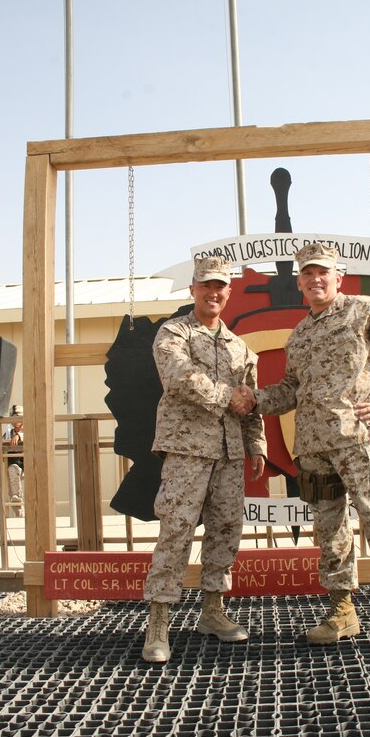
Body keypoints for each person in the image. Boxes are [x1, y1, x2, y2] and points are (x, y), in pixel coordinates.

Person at [232, 242, 370, 658]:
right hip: (312, 450)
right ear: (300, 282)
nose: (315, 279)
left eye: (322, 272)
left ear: (337, 277)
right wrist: (255, 399)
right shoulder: (300, 334)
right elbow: (291, 390)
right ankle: (342, 613)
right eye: (307, 274)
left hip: (359, 442)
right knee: (331, 533)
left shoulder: (363, 310)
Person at [142, 255, 267, 663]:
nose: (213, 293)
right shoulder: (173, 332)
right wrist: (223, 395)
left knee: (226, 529)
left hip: (230, 452)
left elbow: (250, 399)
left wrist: (256, 445)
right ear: (193, 289)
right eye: (205, 285)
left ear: (228, 292)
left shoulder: (240, 347)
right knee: (176, 529)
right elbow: (178, 376)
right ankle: (158, 622)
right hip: (187, 449)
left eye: (220, 286)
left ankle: (212, 611)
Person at [3, 405, 24, 518]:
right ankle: (19, 510)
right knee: (12, 471)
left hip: (27, 463)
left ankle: (18, 502)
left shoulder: (28, 431)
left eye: (18, 417)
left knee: (14, 470)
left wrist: (19, 436)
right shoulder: (8, 433)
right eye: (13, 418)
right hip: (13, 465)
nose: (16, 421)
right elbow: (1, 444)